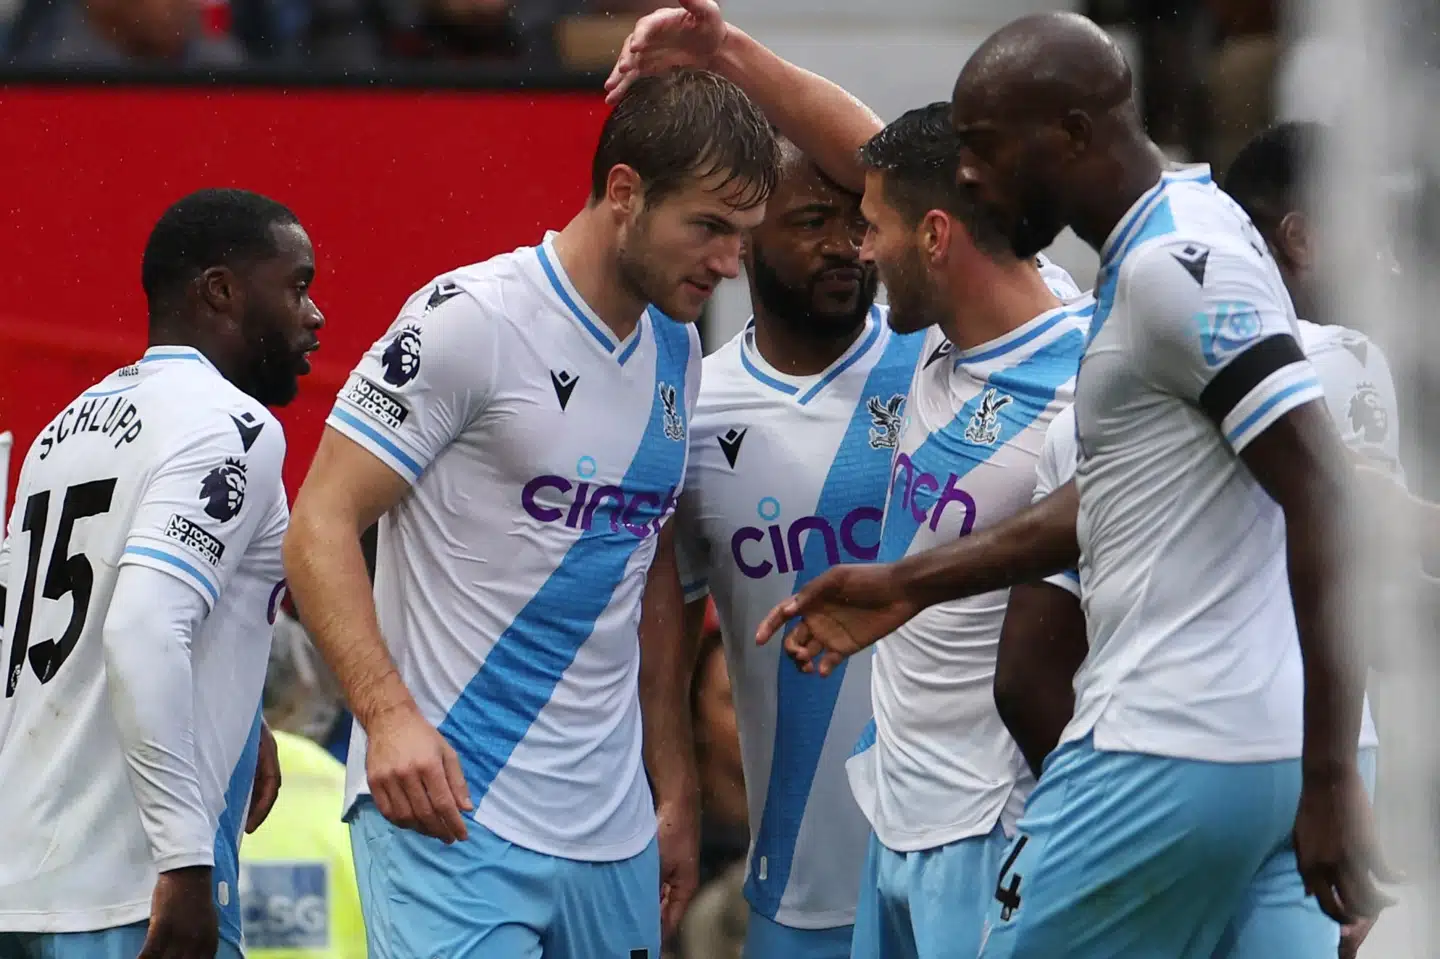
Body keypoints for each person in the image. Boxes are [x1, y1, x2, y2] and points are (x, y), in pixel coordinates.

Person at [756, 11, 1389, 958]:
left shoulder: (1174, 271)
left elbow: (1323, 496)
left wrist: (1334, 774)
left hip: (1158, 750)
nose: (967, 176)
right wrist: (906, 583)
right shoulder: (1181, 237)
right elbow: (1118, 499)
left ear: (1071, 135)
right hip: (1253, 754)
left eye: (982, 149)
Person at [281, 69, 779, 959]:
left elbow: (648, 571)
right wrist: (387, 716)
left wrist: (671, 785)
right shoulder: (471, 319)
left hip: (611, 830)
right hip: (450, 812)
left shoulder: (678, 347)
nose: (729, 262)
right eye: (708, 227)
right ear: (623, 192)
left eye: (743, 237)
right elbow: (318, 523)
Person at [0, 188, 322, 959]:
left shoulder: (60, 430)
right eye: (298, 284)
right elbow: (143, 627)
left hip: (22, 883)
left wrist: (237, 718)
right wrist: (182, 856)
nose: (315, 316)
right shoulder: (232, 424)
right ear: (220, 290)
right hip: (131, 891)